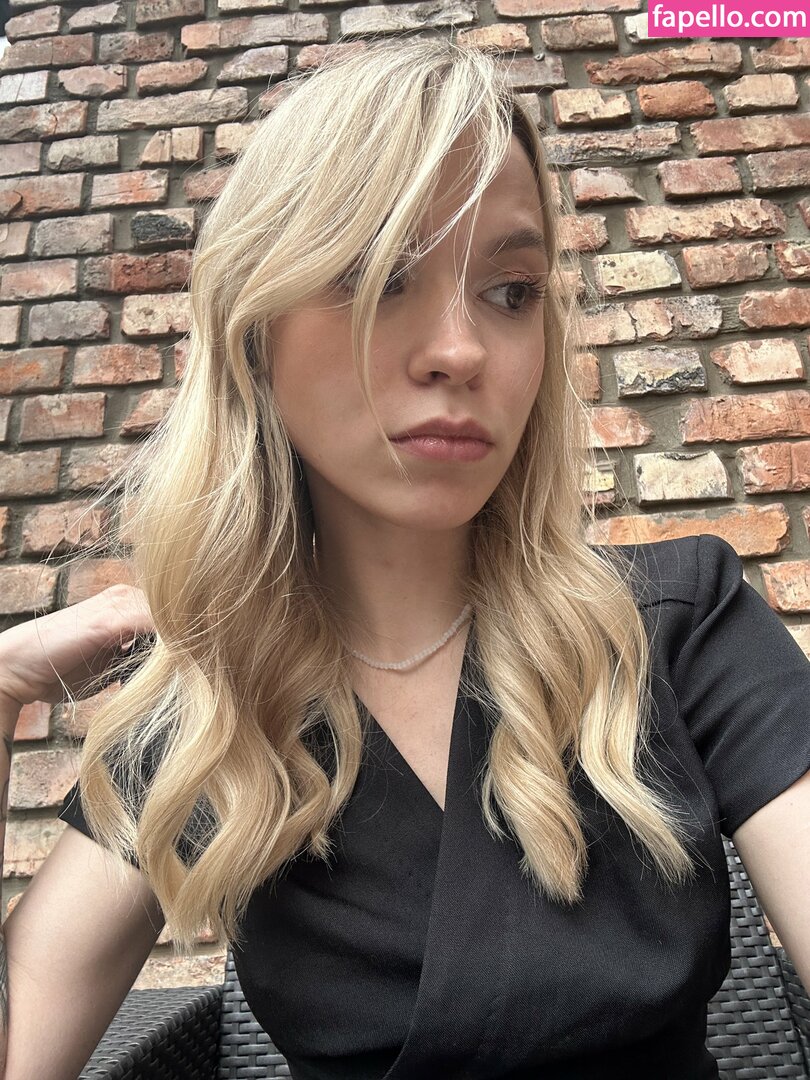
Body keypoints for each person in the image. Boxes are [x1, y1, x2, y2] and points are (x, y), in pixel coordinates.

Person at [0, 36, 807, 1080]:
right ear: (255, 330)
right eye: (381, 275)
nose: (461, 351)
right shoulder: (207, 720)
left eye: (511, 291)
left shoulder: (678, 626)